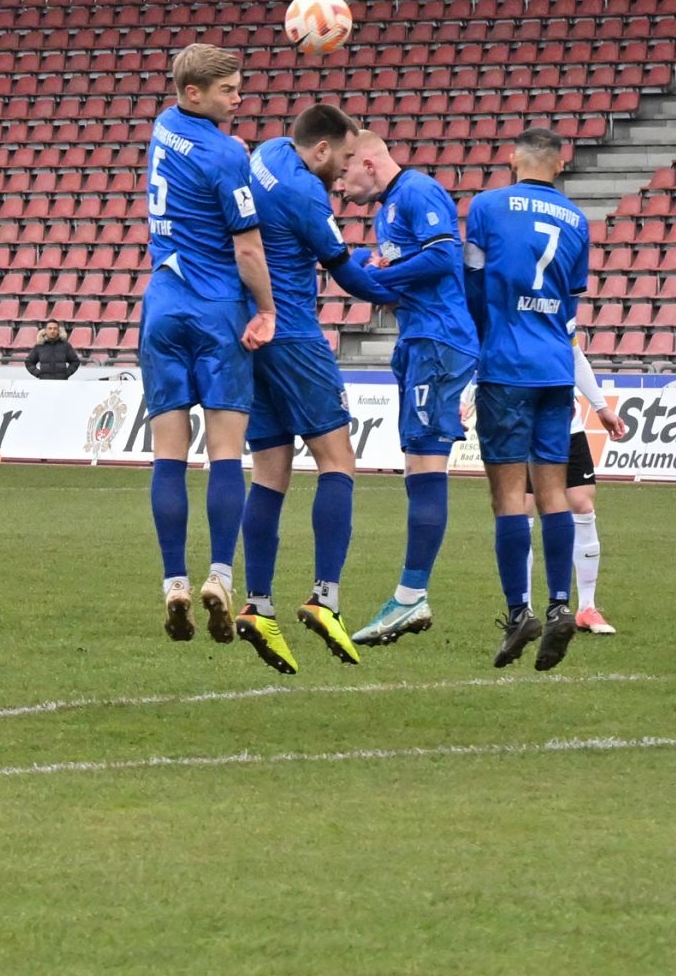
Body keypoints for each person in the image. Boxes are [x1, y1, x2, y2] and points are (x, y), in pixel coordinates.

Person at [233, 104, 398, 674]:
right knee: (338, 461)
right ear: (322, 149)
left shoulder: (269, 152)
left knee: (269, 473)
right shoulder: (306, 195)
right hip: (294, 333)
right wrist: (400, 287)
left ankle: (258, 604)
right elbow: (346, 275)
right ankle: (325, 597)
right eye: (345, 157)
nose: (347, 169)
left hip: (252, 331)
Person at [139, 43, 278, 647]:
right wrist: (267, 309)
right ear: (194, 93)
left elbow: (196, 153)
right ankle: (220, 575)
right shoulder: (225, 156)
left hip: (162, 305)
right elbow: (247, 249)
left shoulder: (163, 126)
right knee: (225, 452)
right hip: (217, 308)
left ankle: (174, 582)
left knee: (168, 454)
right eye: (228, 90)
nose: (239, 98)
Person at [334, 131, 480, 646]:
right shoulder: (387, 210)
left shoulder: (417, 191)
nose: (340, 185)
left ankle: (412, 596)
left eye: (344, 174)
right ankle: (410, 595)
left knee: (426, 464)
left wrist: (382, 271)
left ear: (369, 164)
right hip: (418, 339)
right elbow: (402, 283)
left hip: (439, 341)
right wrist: (363, 270)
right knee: (418, 465)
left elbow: (443, 258)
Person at [462, 127, 591, 671]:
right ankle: (561, 604)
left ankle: (520, 611)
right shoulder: (577, 220)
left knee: (509, 496)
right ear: (559, 165)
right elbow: (571, 305)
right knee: (553, 491)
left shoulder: (486, 207)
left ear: (512, 159)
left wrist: (483, 335)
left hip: (506, 365)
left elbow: (472, 283)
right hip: (555, 368)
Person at [525, 339, 626, 632]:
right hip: (521, 426)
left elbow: (576, 357)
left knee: (582, 504)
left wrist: (601, 407)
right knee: (522, 511)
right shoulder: (509, 316)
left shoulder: (562, 317)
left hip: (568, 427)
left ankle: (587, 608)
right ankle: (522, 609)